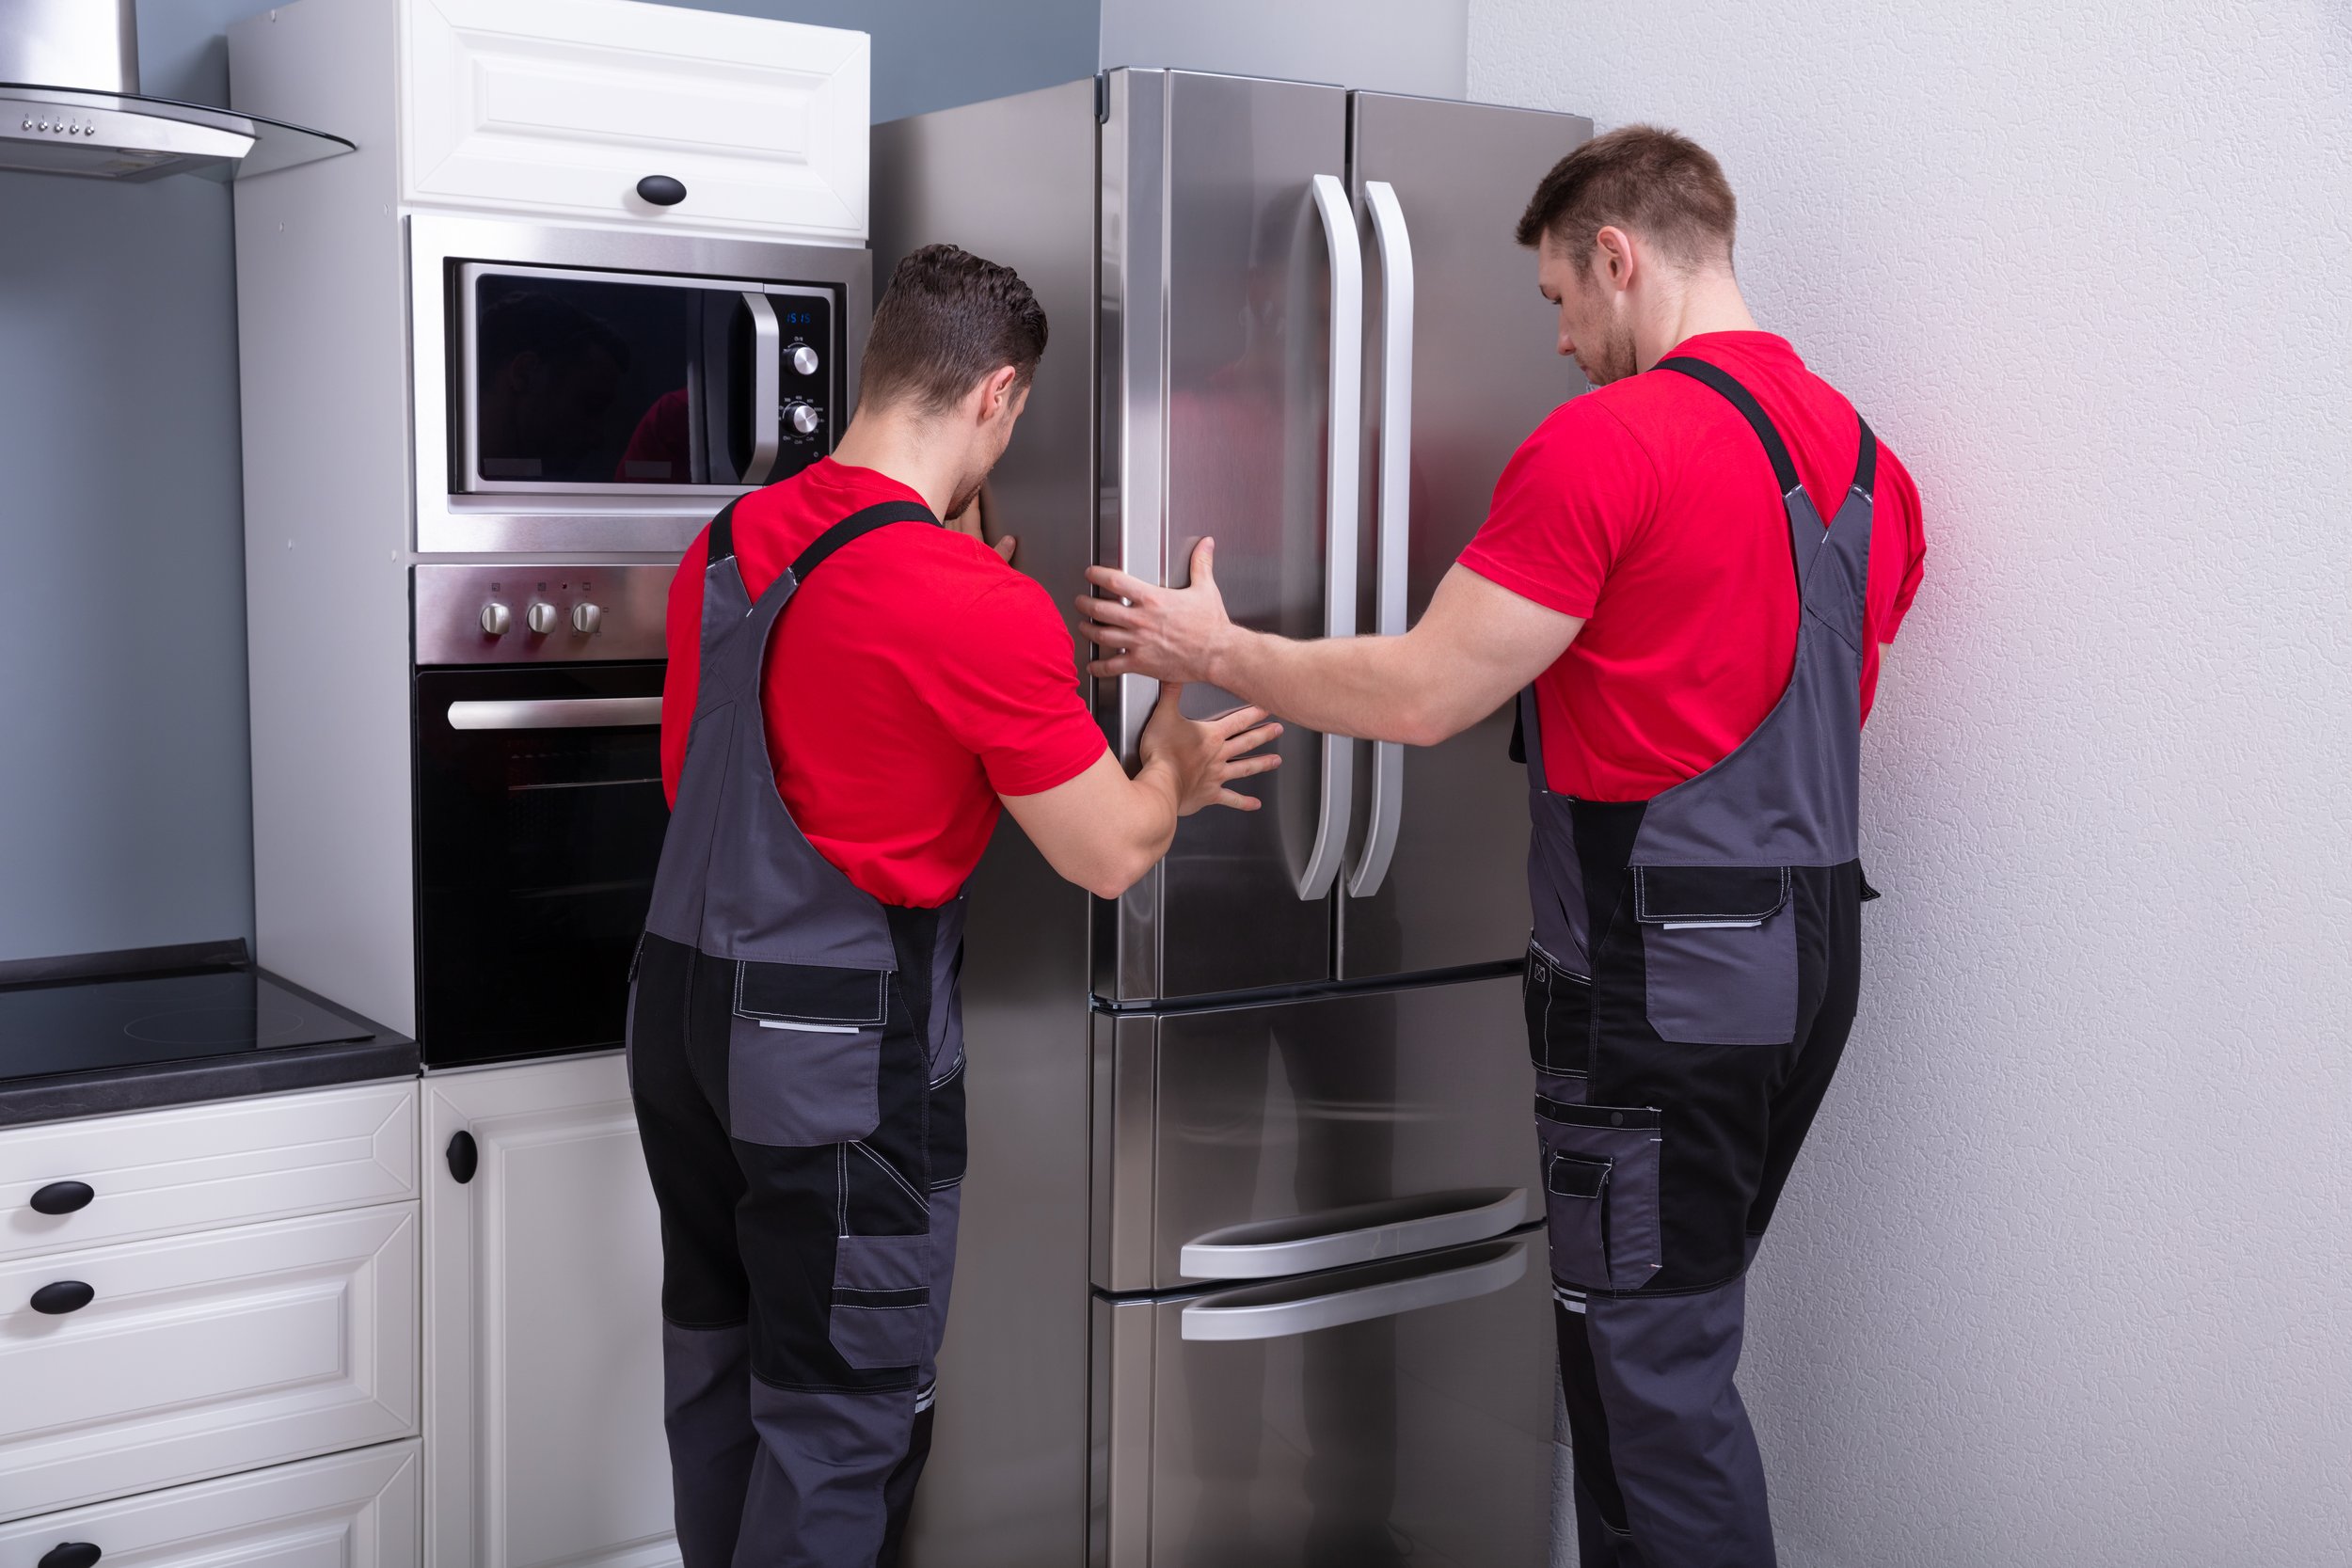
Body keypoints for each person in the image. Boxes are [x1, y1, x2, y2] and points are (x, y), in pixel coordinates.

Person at [1078, 127, 1926, 1566]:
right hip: (1807, 967)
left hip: (1655, 989)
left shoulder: (1614, 441)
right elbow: (1792, 700)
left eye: (1556, 302)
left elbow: (1421, 694)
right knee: (1642, 1359)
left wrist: (1217, 648)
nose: (1561, 341)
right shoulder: (1864, 461)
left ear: (1619, 254)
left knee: (1650, 1391)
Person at [628, 244, 1280, 1568]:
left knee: (723, 1391)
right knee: (840, 1429)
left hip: (679, 1026)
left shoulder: (728, 544)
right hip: (831, 1068)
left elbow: (709, 762)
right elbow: (1107, 852)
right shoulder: (973, 604)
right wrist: (1171, 765)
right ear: (997, 398)